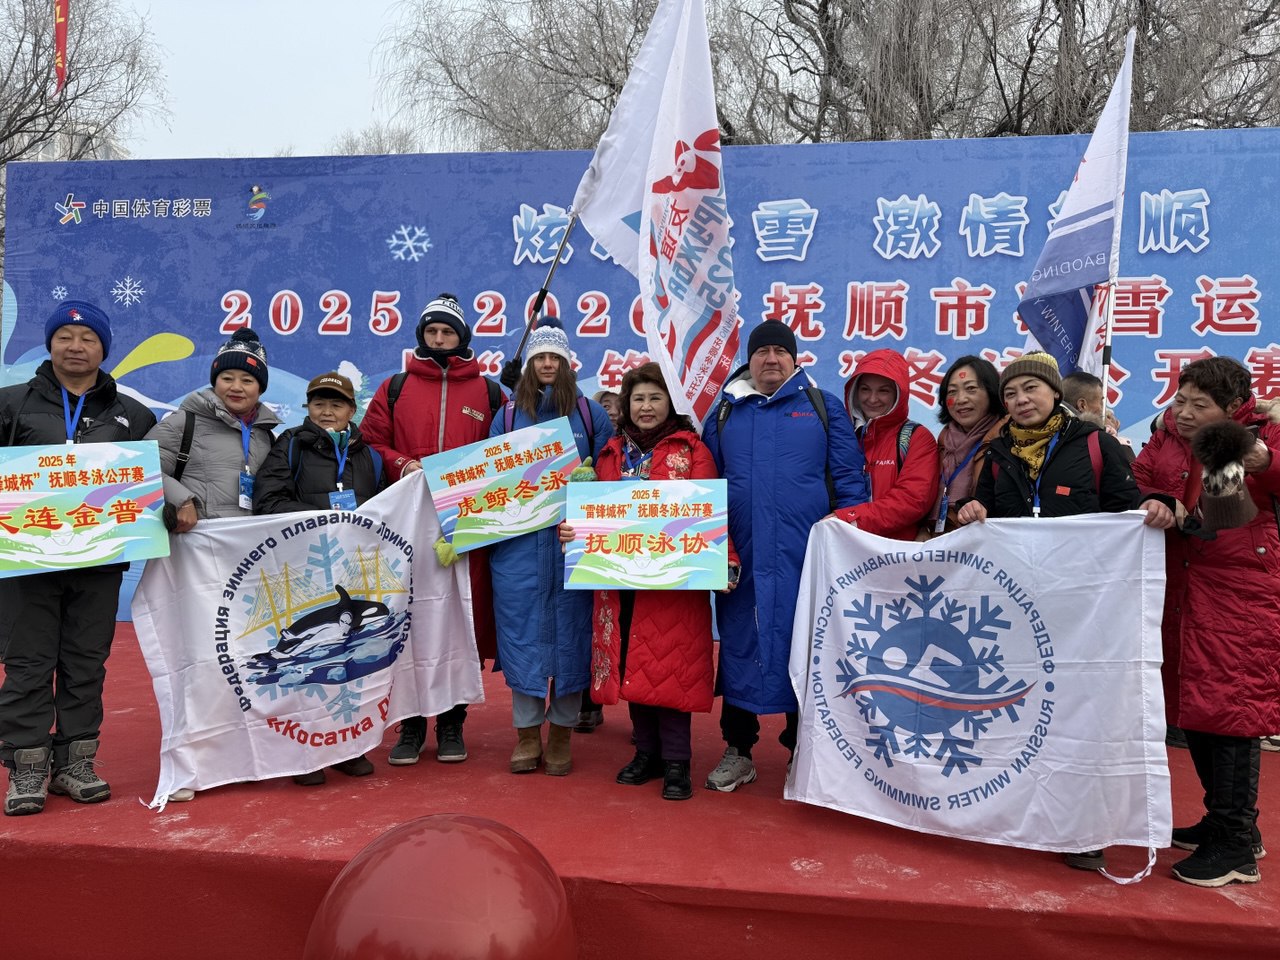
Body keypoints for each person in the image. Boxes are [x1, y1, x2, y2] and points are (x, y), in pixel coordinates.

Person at [955, 350, 1172, 872]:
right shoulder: (999, 452)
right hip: (1020, 612)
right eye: (1010, 393)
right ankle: (1018, 812)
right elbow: (987, 512)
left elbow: (1128, 507)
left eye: (1030, 389)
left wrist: (1155, 504)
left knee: (1082, 719)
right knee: (1023, 713)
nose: (1020, 400)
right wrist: (973, 509)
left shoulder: (1095, 444)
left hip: (1086, 614)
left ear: (1056, 393)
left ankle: (1084, 829)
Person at [0, 301, 157, 816]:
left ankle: (76, 761)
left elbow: (150, 481)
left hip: (99, 562)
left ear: (103, 349)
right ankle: (26, 765)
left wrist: (175, 506)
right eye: (65, 337)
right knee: (28, 664)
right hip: (27, 563)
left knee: (86, 663)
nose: (75, 347)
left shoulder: (132, 414)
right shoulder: (11, 404)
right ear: (50, 344)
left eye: (88, 338)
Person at [701, 320, 868, 792]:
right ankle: (738, 750)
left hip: (806, 558)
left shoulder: (822, 407)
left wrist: (848, 545)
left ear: (795, 359)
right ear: (749, 360)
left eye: (780, 351)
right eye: (762, 352)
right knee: (739, 645)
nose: (771, 359)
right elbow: (705, 488)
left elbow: (849, 483)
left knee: (807, 647)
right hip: (743, 558)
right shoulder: (725, 413)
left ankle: (803, 750)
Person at [1132, 356, 1280, 887]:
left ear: (1233, 406)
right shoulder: (1164, 437)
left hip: (1241, 587)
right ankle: (1225, 822)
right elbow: (1137, 480)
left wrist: (1263, 461)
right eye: (1182, 400)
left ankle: (1236, 845)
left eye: (1201, 404)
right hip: (1181, 583)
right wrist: (1156, 500)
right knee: (1194, 705)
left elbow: (1267, 478)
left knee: (1232, 708)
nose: (1187, 413)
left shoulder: (1262, 433)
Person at [559, 363, 727, 800]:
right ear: (626, 405)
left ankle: (677, 762)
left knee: (670, 666)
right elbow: (592, 516)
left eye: (655, 397)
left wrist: (725, 561)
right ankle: (646, 753)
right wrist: (573, 532)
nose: (646, 407)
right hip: (620, 582)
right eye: (638, 399)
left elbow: (709, 513)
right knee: (632, 664)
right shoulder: (611, 453)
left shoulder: (692, 450)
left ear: (670, 402)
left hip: (673, 582)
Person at [360, 293, 504, 767]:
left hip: (465, 528)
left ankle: (451, 722)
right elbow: (370, 443)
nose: (439, 339)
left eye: (447, 332)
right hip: (406, 526)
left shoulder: (488, 393)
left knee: (460, 622)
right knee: (406, 619)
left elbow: (506, 454)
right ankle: (410, 724)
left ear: (462, 337)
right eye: (431, 332)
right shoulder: (395, 387)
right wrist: (402, 464)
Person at [146, 327, 280, 801]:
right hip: (196, 558)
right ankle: (190, 762)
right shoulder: (183, 421)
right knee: (199, 660)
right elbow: (140, 465)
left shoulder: (266, 434)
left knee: (247, 657)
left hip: (248, 562)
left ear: (260, 387)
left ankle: (244, 754)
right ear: (214, 380)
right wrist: (181, 498)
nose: (236, 387)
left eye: (248, 380)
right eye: (228, 378)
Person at [488, 320, 612, 776]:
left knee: (572, 639)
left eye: (554, 357)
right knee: (520, 637)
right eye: (539, 356)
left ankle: (561, 734)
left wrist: (589, 494)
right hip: (517, 550)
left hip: (571, 547)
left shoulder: (589, 415)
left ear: (566, 364)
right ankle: (526, 735)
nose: (546, 364)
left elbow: (610, 479)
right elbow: (487, 481)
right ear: (529, 364)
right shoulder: (505, 416)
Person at [253, 371, 384, 786]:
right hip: (302, 569)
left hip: (352, 570)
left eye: (336, 404)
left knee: (347, 662)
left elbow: (385, 510)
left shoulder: (369, 456)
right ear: (308, 407)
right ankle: (306, 753)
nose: (327, 411)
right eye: (319, 403)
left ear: (352, 410)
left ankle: (348, 746)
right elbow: (268, 501)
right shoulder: (290, 445)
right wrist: (326, 519)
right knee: (306, 668)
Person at [835, 348, 939, 539]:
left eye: (883, 391)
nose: (872, 399)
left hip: (897, 551)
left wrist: (849, 519)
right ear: (854, 391)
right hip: (844, 547)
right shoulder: (840, 435)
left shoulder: (917, 437)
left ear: (899, 393)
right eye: (865, 389)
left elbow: (912, 500)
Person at [920, 355, 1005, 537]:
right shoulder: (940, 445)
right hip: (940, 542)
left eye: (971, 389)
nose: (960, 399)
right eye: (952, 392)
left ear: (991, 392)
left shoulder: (1007, 443)